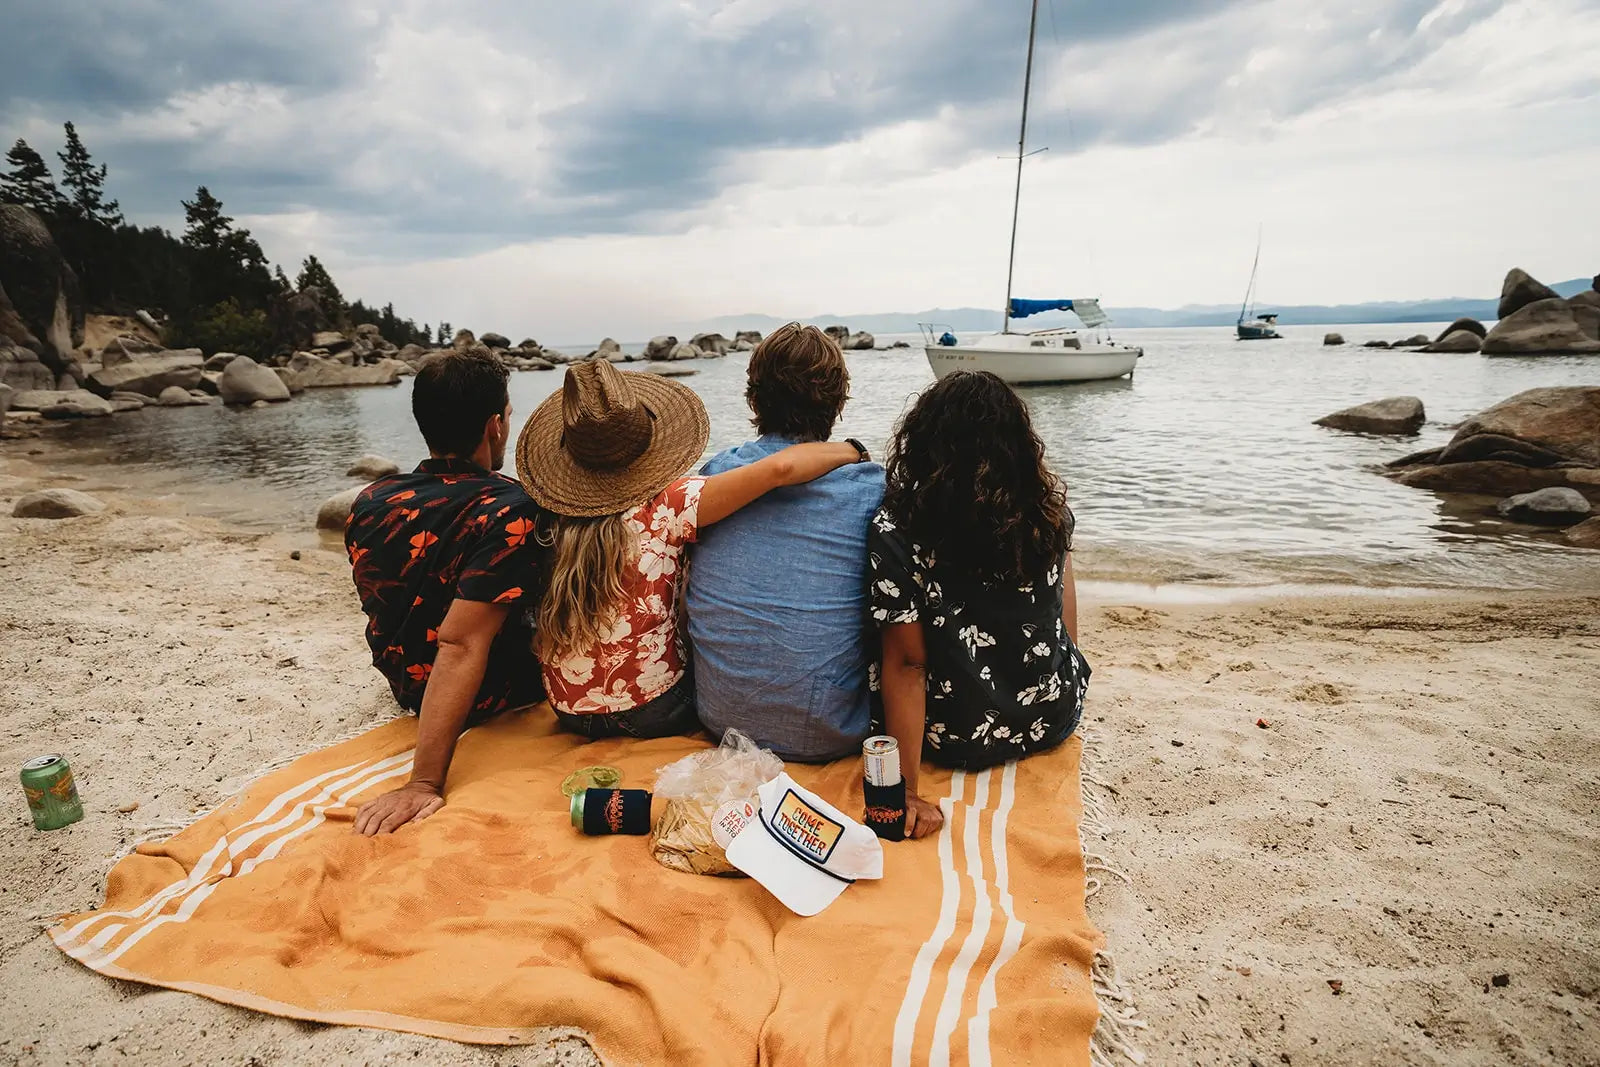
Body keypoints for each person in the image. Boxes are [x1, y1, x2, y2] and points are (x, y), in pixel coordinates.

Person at [516, 358, 867, 737]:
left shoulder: (548, 515)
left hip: (567, 708)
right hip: (654, 710)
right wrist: (852, 451)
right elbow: (778, 470)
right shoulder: (671, 503)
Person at [870, 370, 1091, 839]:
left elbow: (907, 662)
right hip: (1052, 715)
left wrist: (905, 789)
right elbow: (1062, 619)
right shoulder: (1050, 514)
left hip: (954, 737)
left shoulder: (899, 526)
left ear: (922, 442)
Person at [345, 346, 547, 836]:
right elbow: (460, 643)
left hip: (406, 688)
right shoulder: (512, 508)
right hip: (488, 697)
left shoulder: (371, 500)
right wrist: (423, 782)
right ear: (494, 425)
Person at [684, 323, 884, 761]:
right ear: (839, 403)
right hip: (823, 731)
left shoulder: (718, 475)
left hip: (720, 719)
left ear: (754, 400)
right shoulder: (870, 489)